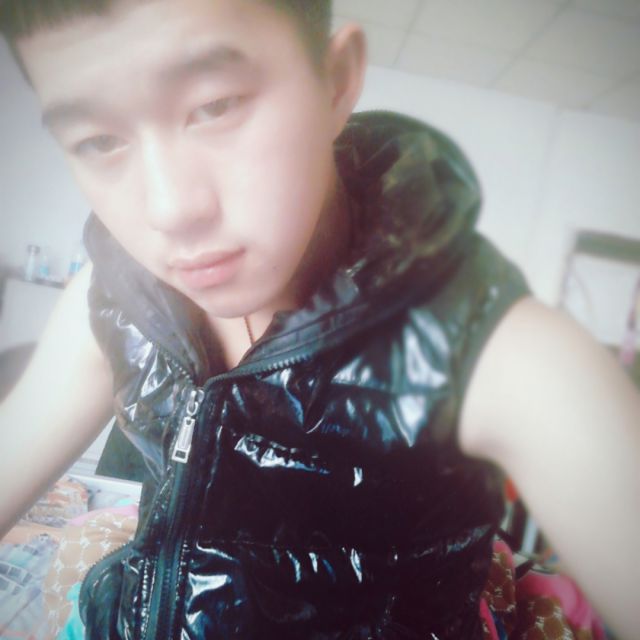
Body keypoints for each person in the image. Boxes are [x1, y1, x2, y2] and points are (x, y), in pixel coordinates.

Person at [0, 1, 638, 638]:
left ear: (336, 82)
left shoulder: (485, 347)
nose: (170, 210)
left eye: (216, 105)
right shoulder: (114, 298)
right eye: (99, 141)